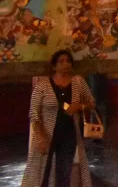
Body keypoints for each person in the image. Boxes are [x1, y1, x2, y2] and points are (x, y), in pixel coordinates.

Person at [21, 50, 96, 187]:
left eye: (68, 61)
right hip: (47, 134)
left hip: (69, 134)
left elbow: (91, 103)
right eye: (61, 61)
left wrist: (79, 106)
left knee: (64, 172)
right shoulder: (42, 86)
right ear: (54, 66)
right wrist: (41, 137)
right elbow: (34, 113)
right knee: (42, 170)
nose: (65, 64)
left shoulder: (78, 82)